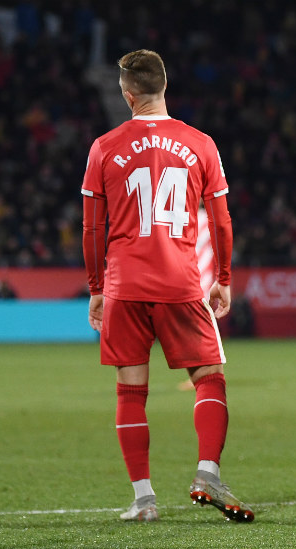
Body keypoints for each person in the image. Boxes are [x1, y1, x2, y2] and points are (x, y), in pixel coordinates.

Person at [81, 49, 253, 523]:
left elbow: (92, 229)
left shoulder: (104, 146)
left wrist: (97, 287)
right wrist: (221, 279)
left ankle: (143, 499)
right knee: (209, 378)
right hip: (180, 283)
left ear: (126, 92)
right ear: (164, 87)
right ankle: (207, 471)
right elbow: (221, 220)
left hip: (124, 285)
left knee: (130, 390)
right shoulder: (201, 143)